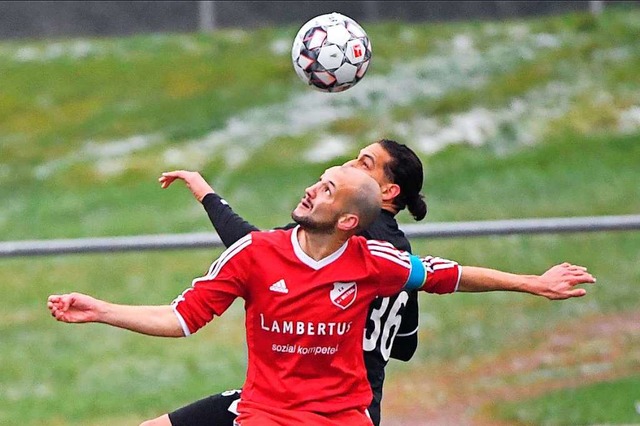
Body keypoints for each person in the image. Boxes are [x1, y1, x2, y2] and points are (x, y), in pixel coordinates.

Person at [49, 166, 596, 426]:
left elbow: (449, 275)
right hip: (266, 415)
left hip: (341, 419)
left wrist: (532, 282)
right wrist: (100, 310)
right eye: (319, 180)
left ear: (350, 219)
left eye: (328, 189)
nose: (313, 189)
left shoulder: (372, 263)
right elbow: (180, 319)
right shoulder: (254, 254)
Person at [158, 139, 427, 426]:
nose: (350, 164)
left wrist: (208, 197)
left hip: (317, 407)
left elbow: (257, 253)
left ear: (389, 191)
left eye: (365, 163)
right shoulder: (400, 254)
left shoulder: (347, 234)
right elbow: (404, 346)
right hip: (360, 409)